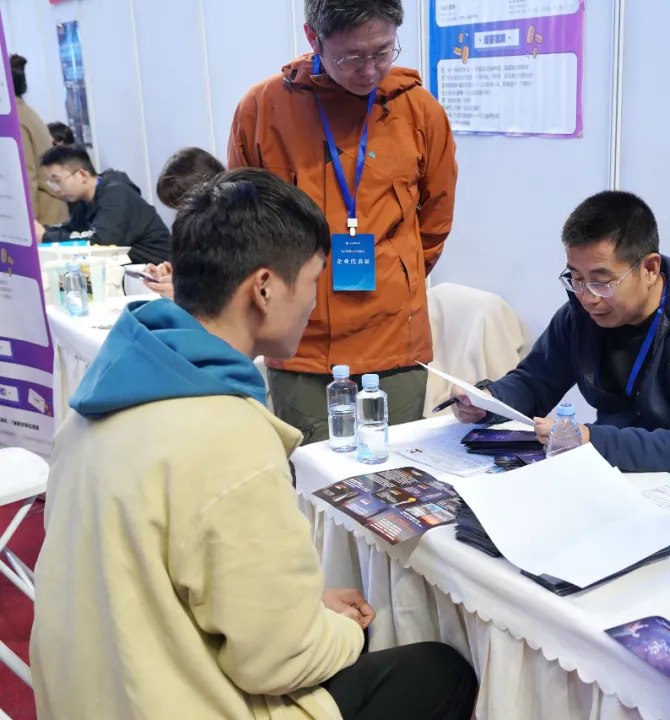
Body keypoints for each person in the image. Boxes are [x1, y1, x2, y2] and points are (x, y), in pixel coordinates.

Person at [30, 168, 478, 720]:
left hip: (89, 696)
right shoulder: (227, 435)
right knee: (438, 671)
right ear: (264, 288)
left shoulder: (98, 401)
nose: (315, 303)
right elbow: (280, 662)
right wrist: (342, 631)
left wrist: (302, 611)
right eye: (313, 281)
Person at [228, 0, 457, 441]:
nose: (369, 70)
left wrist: (398, 274)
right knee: (312, 468)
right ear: (313, 39)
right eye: (352, 57)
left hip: (393, 336)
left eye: (382, 51)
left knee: (395, 471)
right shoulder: (262, 110)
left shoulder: (419, 110)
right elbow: (244, 223)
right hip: (299, 338)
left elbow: (435, 217)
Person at [451, 191, 670, 476]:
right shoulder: (580, 316)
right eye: (576, 278)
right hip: (618, 475)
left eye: (602, 282)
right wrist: (487, 401)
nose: (588, 297)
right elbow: (534, 382)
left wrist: (592, 439)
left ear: (650, 269)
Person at [35, 145, 171, 265]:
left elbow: (100, 243)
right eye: (51, 183)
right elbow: (72, 230)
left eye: (57, 181)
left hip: (157, 271)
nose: (56, 189)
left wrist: (46, 237)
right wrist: (40, 231)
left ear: (82, 174)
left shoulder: (116, 194)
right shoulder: (86, 201)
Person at [141, 147, 228, 299]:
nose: (182, 216)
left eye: (184, 206)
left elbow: (229, 296)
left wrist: (185, 296)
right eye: (177, 208)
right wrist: (177, 275)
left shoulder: (238, 230)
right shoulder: (196, 231)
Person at [10, 54, 67, 226]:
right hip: (48, 210)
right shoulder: (24, 112)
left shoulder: (16, 120)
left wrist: (28, 223)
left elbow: (27, 176)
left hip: (43, 215)